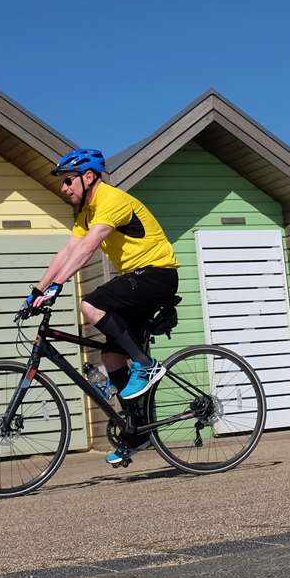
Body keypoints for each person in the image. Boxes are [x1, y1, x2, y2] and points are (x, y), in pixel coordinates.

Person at [25, 148, 180, 465]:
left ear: (89, 176)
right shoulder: (87, 212)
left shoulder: (111, 200)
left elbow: (89, 248)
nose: (64, 188)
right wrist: (37, 290)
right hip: (138, 278)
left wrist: (59, 286)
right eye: (63, 183)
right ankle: (138, 432)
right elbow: (69, 251)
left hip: (156, 274)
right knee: (111, 357)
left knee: (91, 303)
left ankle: (145, 364)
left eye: (68, 181)